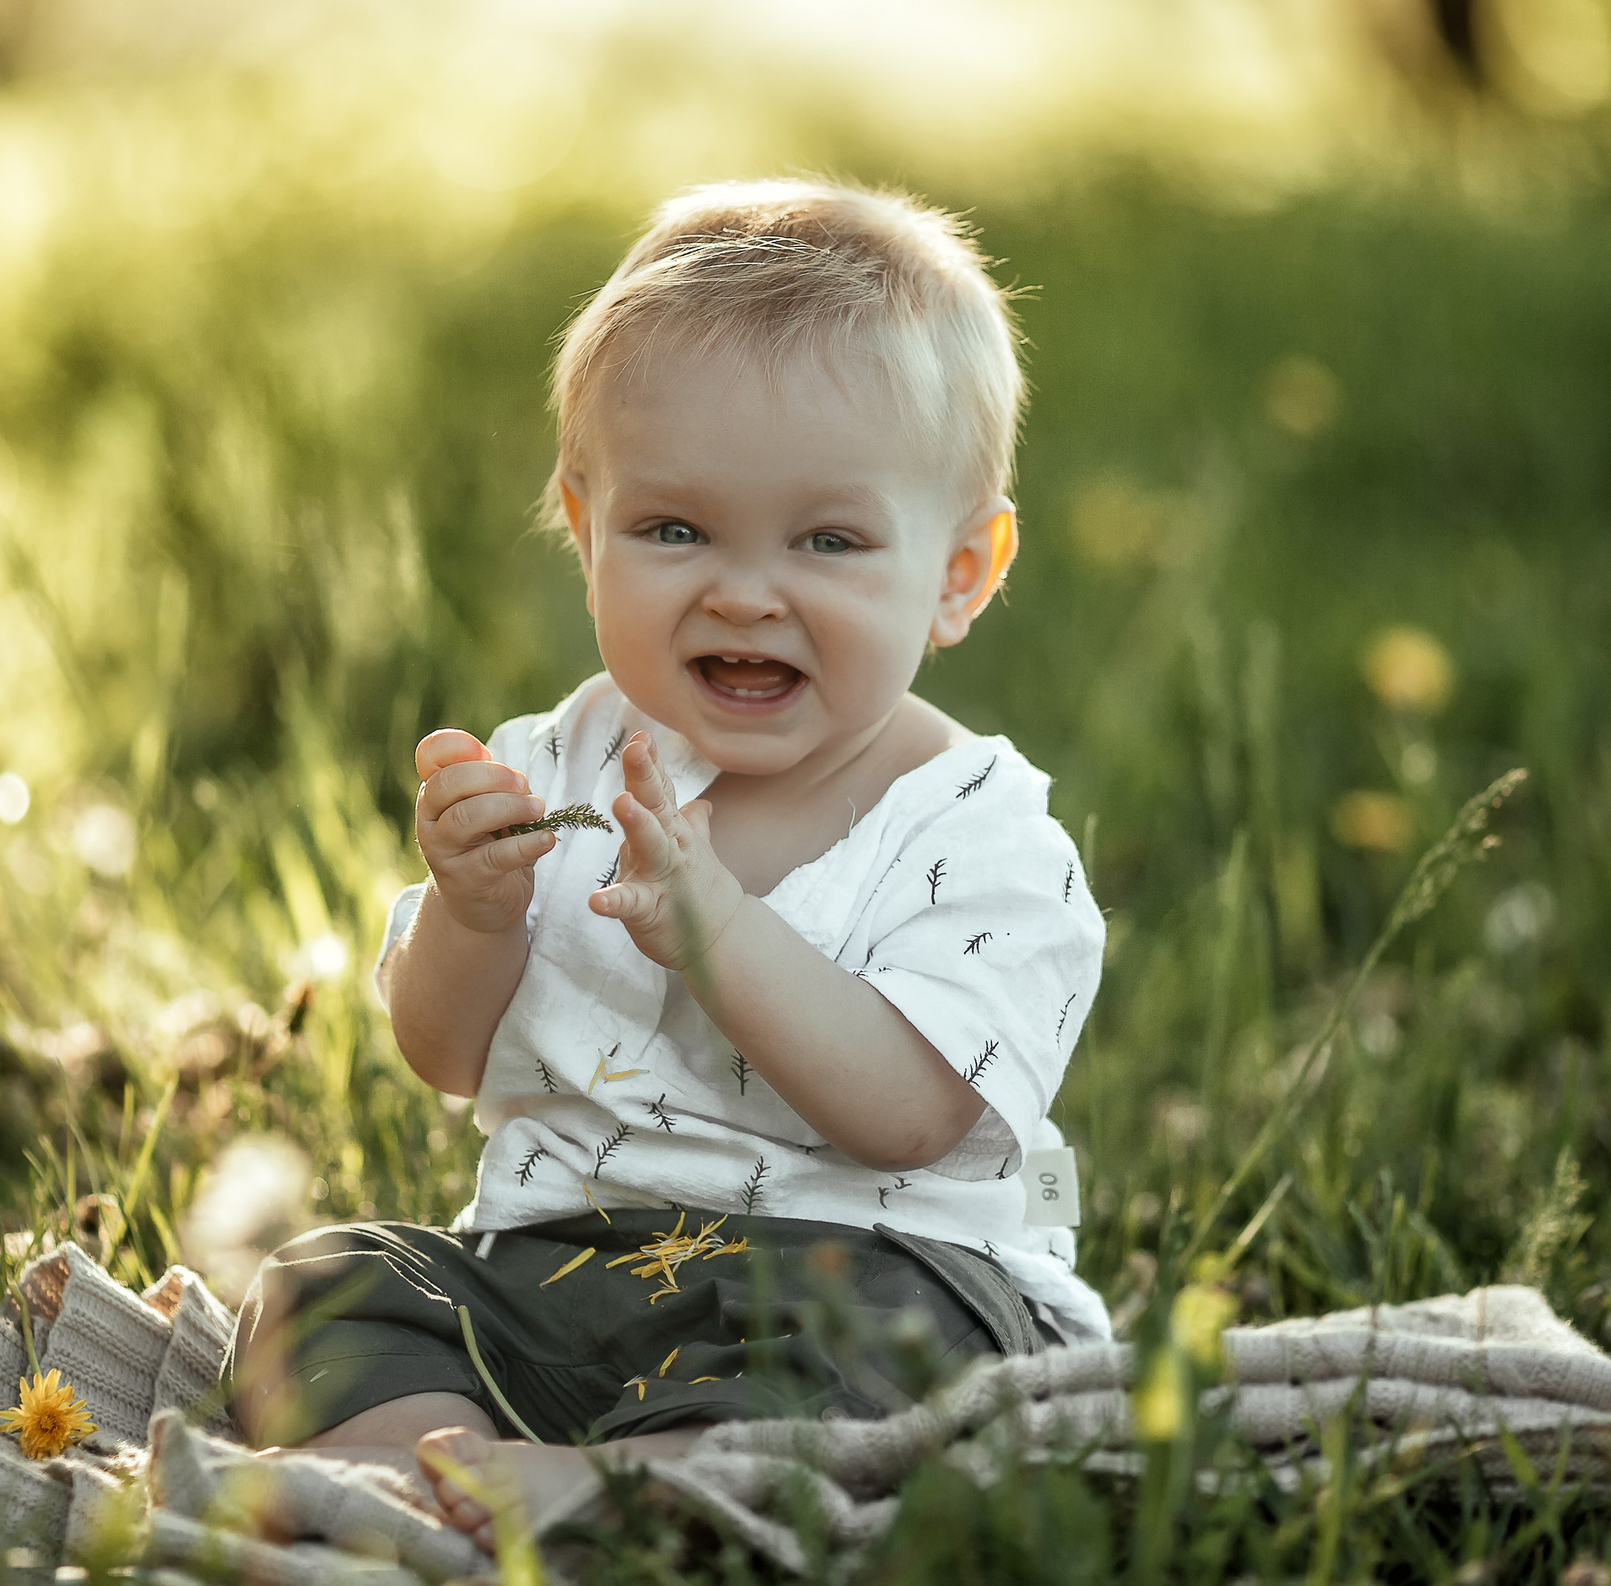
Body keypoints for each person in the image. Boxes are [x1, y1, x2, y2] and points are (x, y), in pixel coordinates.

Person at [227, 179, 1108, 1551]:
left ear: (960, 572)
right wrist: (475, 911)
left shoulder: (982, 836)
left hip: (853, 1282)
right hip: (562, 1270)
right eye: (676, 530)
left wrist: (721, 931)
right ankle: (424, 1476)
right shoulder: (560, 761)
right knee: (329, 1283)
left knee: (915, 1353)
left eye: (828, 540)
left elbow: (910, 1115)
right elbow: (444, 1053)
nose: (746, 591)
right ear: (583, 529)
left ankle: (664, 1481)